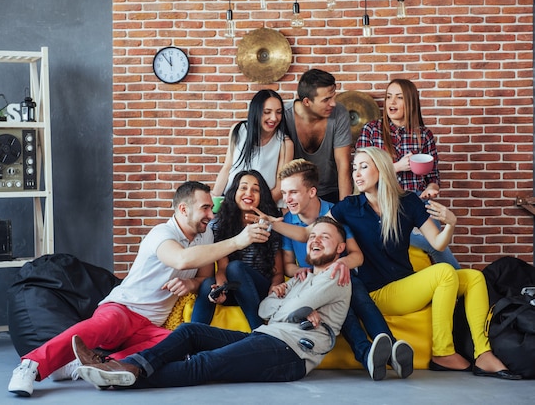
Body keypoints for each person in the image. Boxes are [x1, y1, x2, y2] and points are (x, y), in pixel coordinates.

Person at [7, 181, 275, 397]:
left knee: (177, 350)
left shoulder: (205, 235)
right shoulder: (162, 233)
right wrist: (239, 241)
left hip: (151, 326)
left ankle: (89, 365)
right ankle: (31, 366)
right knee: (99, 326)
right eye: (205, 208)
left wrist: (189, 283)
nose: (211, 214)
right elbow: (181, 259)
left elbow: (203, 276)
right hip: (125, 308)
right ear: (183, 209)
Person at [72, 217, 352, 389]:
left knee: (204, 364)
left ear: (340, 248)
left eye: (324, 237)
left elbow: (281, 310)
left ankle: (117, 373)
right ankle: (122, 366)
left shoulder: (336, 277)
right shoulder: (301, 278)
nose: (315, 240)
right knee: (190, 331)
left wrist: (290, 304)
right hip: (268, 336)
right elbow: (265, 309)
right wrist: (295, 304)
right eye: (312, 236)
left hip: (289, 354)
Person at [328, 147, 521, 380]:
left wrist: (451, 224)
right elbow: (317, 229)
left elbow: (438, 244)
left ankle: (483, 353)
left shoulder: (407, 202)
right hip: (378, 292)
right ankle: (443, 352)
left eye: (364, 166)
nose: (356, 173)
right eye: (355, 168)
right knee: (444, 273)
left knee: (474, 277)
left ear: (381, 170)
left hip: (406, 284)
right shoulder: (349, 207)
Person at [277, 158, 414, 380]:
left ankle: (377, 352)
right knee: (340, 296)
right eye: (284, 193)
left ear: (311, 192)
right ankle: (387, 352)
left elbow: (356, 255)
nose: (287, 199)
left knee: (348, 288)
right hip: (313, 286)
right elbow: (289, 264)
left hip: (343, 280)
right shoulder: (286, 221)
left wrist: (341, 264)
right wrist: (298, 272)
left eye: (292, 192)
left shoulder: (337, 213)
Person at [355, 78, 460, 269]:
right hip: (385, 206)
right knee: (436, 246)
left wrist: (431, 188)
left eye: (398, 97)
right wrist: (396, 166)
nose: (391, 102)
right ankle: (463, 286)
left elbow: (433, 177)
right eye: (388, 97)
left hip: (418, 204)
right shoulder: (371, 131)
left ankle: (454, 286)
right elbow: (361, 173)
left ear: (410, 102)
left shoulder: (424, 134)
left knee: (435, 237)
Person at [191, 170, 284, 330]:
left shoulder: (269, 226)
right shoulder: (220, 225)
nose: (249, 193)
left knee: (236, 267)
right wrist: (220, 287)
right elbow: (222, 268)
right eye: (243, 188)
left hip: (259, 289)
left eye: (255, 189)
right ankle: (191, 342)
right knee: (208, 284)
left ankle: (259, 331)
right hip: (233, 287)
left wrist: (274, 289)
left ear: (262, 195)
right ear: (234, 192)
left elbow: (278, 273)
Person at [212, 89, 293, 204]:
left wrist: (254, 206)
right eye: (267, 112)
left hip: (262, 206)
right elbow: (227, 168)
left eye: (279, 112)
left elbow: (280, 187)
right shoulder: (238, 130)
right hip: (230, 203)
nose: (274, 118)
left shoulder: (285, 143)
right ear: (256, 112)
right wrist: (214, 198)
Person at [284, 68, 353, 203]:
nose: (333, 103)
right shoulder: (284, 116)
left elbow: (343, 165)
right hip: (295, 194)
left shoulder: (339, 113)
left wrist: (344, 211)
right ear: (307, 102)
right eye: (326, 99)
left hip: (330, 191)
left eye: (333, 97)